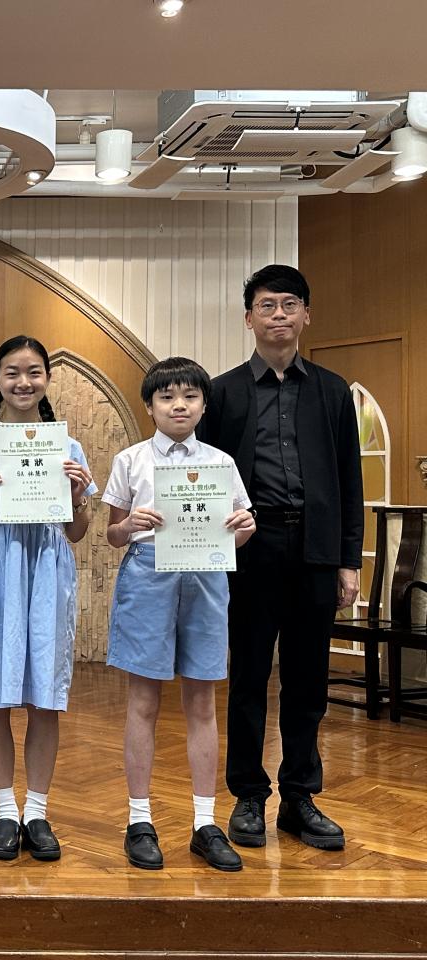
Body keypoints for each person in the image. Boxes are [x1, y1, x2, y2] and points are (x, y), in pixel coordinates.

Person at [199, 265, 362, 851]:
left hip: (315, 550)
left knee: (307, 680)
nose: (278, 315)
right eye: (266, 306)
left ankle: (299, 797)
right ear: (249, 319)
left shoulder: (332, 390)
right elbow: (205, 475)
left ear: (306, 315)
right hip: (250, 548)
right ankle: (247, 795)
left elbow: (349, 478)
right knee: (247, 675)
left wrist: (348, 560)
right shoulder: (222, 392)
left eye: (289, 304)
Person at [102, 357, 256, 872]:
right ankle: (139, 819)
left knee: (203, 702)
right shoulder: (130, 460)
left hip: (206, 576)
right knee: (143, 701)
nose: (179, 406)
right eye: (166, 397)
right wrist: (130, 525)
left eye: (190, 396)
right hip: (148, 572)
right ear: (149, 406)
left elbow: (237, 528)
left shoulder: (220, 462)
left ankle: (204, 823)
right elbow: (112, 533)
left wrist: (245, 529)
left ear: (204, 405)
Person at [0, 336, 95, 863]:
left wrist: (78, 496)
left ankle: (36, 810)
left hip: (48, 573)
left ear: (47, 379)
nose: (23, 382)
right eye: (12, 373)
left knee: (44, 697)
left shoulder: (68, 447)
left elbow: (77, 532)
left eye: (34, 372)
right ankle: (4, 811)